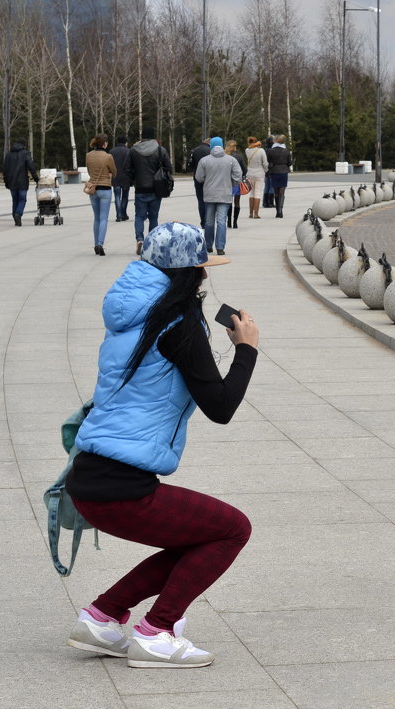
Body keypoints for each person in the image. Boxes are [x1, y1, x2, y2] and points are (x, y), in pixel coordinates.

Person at [64, 221, 258, 669]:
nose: (206, 276)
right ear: (192, 274)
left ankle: (101, 617)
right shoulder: (179, 324)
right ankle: (157, 632)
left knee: (196, 537)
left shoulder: (132, 314)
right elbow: (221, 406)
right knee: (232, 529)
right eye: (203, 268)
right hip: (121, 486)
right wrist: (245, 349)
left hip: (90, 476)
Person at [125, 127, 173, 256]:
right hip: (156, 189)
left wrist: (134, 180)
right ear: (153, 137)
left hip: (140, 188)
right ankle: (151, 242)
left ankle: (140, 239)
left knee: (139, 216)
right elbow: (169, 168)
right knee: (154, 217)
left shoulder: (133, 151)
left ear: (142, 137)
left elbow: (126, 168)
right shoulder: (160, 150)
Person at [195, 136, 242, 255]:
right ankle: (220, 247)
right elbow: (238, 176)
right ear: (222, 145)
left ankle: (208, 246)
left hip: (209, 194)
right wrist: (230, 184)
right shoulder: (231, 160)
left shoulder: (204, 160)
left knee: (209, 221)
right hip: (225, 194)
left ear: (211, 146)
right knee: (221, 221)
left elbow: (199, 177)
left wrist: (207, 181)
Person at [85, 134, 117, 256]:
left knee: (97, 218)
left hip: (93, 188)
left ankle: (95, 243)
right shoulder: (108, 156)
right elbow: (114, 172)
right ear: (104, 144)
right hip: (105, 189)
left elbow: (89, 171)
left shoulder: (88, 155)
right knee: (104, 218)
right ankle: (100, 244)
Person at [2, 139, 38, 226]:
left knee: (15, 200)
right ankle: (18, 214)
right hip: (22, 181)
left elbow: (5, 169)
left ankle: (15, 218)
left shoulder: (8, 155)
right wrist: (36, 178)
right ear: (24, 145)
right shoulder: (25, 153)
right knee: (22, 199)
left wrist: (6, 182)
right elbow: (31, 166)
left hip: (11, 182)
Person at [185, 136, 212, 225]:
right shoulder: (210, 151)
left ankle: (203, 221)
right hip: (209, 179)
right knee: (209, 201)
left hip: (197, 178)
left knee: (200, 201)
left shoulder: (194, 150)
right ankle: (209, 220)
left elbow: (189, 165)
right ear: (210, 144)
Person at [265, 135, 292, 218]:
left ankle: (277, 211)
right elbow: (289, 162)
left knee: (276, 191)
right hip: (284, 171)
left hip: (274, 171)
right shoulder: (286, 151)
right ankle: (280, 210)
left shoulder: (271, 151)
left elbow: (268, 161)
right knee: (282, 191)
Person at [224, 140, 247, 228]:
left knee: (229, 202)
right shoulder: (238, 157)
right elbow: (245, 170)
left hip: (226, 182)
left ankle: (228, 221)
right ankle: (235, 222)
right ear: (234, 147)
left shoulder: (224, 156)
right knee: (237, 202)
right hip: (236, 182)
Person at [244, 136, 268, 219]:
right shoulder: (261, 150)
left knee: (251, 193)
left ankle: (250, 213)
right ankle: (256, 214)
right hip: (259, 172)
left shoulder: (247, 150)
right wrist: (265, 170)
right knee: (257, 193)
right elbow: (265, 163)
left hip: (250, 173)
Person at [110, 136, 133, 222]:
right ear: (125, 142)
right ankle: (123, 214)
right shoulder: (129, 151)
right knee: (125, 197)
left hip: (115, 177)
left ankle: (118, 215)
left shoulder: (112, 151)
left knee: (117, 196)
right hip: (126, 178)